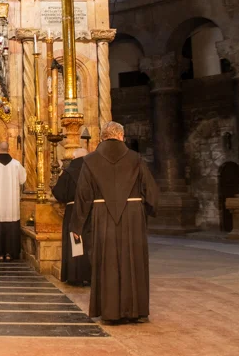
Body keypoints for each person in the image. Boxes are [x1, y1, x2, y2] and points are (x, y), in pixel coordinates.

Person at [72, 121, 160, 324]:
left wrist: (77, 225)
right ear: (121, 136)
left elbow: (83, 195)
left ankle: (110, 312)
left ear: (102, 137)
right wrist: (146, 210)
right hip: (133, 216)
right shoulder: (136, 158)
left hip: (102, 215)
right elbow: (151, 192)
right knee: (133, 260)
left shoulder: (90, 160)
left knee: (107, 261)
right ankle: (134, 310)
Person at [52, 147, 92, 285]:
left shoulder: (68, 172)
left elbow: (59, 192)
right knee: (89, 243)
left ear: (74, 158)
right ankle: (90, 275)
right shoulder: (92, 170)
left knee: (76, 242)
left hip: (73, 210)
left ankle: (76, 276)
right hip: (90, 211)